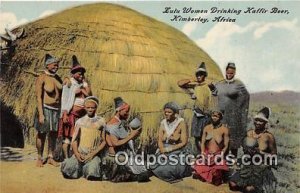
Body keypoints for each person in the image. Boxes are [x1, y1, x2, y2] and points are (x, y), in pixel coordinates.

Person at [229, 107, 277, 193]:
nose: (258, 123)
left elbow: (274, 156)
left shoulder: (269, 137)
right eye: (256, 120)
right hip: (248, 165)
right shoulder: (248, 133)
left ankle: (257, 186)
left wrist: (260, 152)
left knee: (249, 190)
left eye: (261, 121)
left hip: (261, 167)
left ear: (265, 122)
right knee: (232, 184)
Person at [208, 62, 249, 156]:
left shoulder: (239, 84)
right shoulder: (220, 83)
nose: (229, 75)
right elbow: (214, 93)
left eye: (231, 73)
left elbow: (246, 96)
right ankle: (222, 158)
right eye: (228, 72)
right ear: (225, 71)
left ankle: (233, 159)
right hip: (221, 115)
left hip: (233, 116)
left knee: (233, 137)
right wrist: (212, 89)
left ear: (234, 73)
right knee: (221, 136)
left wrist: (239, 108)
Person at [104, 97, 149, 182]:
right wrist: (131, 136)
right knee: (143, 173)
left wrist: (134, 133)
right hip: (117, 155)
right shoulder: (113, 124)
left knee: (144, 169)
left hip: (123, 154)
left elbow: (124, 138)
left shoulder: (119, 123)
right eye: (126, 111)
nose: (128, 114)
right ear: (119, 110)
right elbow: (115, 143)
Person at [61, 96, 106, 180]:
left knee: (93, 173)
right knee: (68, 170)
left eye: (92, 107)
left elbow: (104, 141)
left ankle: (87, 169)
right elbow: (75, 140)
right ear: (84, 108)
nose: (90, 109)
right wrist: (77, 154)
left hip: (92, 154)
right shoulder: (80, 122)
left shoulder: (101, 121)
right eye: (88, 107)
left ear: (96, 108)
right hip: (80, 153)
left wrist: (92, 154)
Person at [58, 55, 92, 159]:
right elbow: (64, 99)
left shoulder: (82, 84)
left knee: (76, 137)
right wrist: (64, 114)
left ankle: (74, 157)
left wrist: (84, 87)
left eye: (83, 74)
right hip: (71, 115)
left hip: (80, 116)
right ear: (73, 74)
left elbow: (89, 95)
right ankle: (66, 158)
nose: (82, 76)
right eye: (79, 74)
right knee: (68, 138)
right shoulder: (69, 83)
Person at [150, 102, 192, 183]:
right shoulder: (163, 123)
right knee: (154, 166)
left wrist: (169, 149)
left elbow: (184, 142)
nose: (166, 114)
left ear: (175, 113)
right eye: (165, 112)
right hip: (164, 151)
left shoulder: (181, 123)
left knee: (169, 169)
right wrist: (162, 151)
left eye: (169, 112)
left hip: (176, 151)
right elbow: (159, 140)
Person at [34, 53, 62, 167]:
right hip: (45, 109)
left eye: (57, 65)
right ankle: (40, 157)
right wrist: (41, 114)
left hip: (56, 110)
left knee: (53, 134)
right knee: (42, 134)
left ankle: (50, 156)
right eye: (54, 65)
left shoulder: (57, 78)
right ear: (48, 65)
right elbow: (38, 97)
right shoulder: (42, 77)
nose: (56, 67)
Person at [177, 62, 212, 153]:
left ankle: (206, 155)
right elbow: (180, 83)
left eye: (201, 74)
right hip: (197, 114)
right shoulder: (195, 85)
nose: (199, 76)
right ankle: (201, 154)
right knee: (196, 136)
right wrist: (191, 79)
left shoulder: (208, 86)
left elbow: (214, 89)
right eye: (198, 74)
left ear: (204, 76)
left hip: (206, 115)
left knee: (205, 137)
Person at [192, 110, 229, 185]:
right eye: (213, 116)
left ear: (221, 118)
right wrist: (202, 153)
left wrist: (220, 155)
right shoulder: (207, 128)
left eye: (217, 116)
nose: (214, 118)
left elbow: (226, 146)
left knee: (216, 178)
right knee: (198, 170)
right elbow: (202, 143)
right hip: (207, 155)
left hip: (218, 155)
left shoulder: (224, 129)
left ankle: (216, 175)